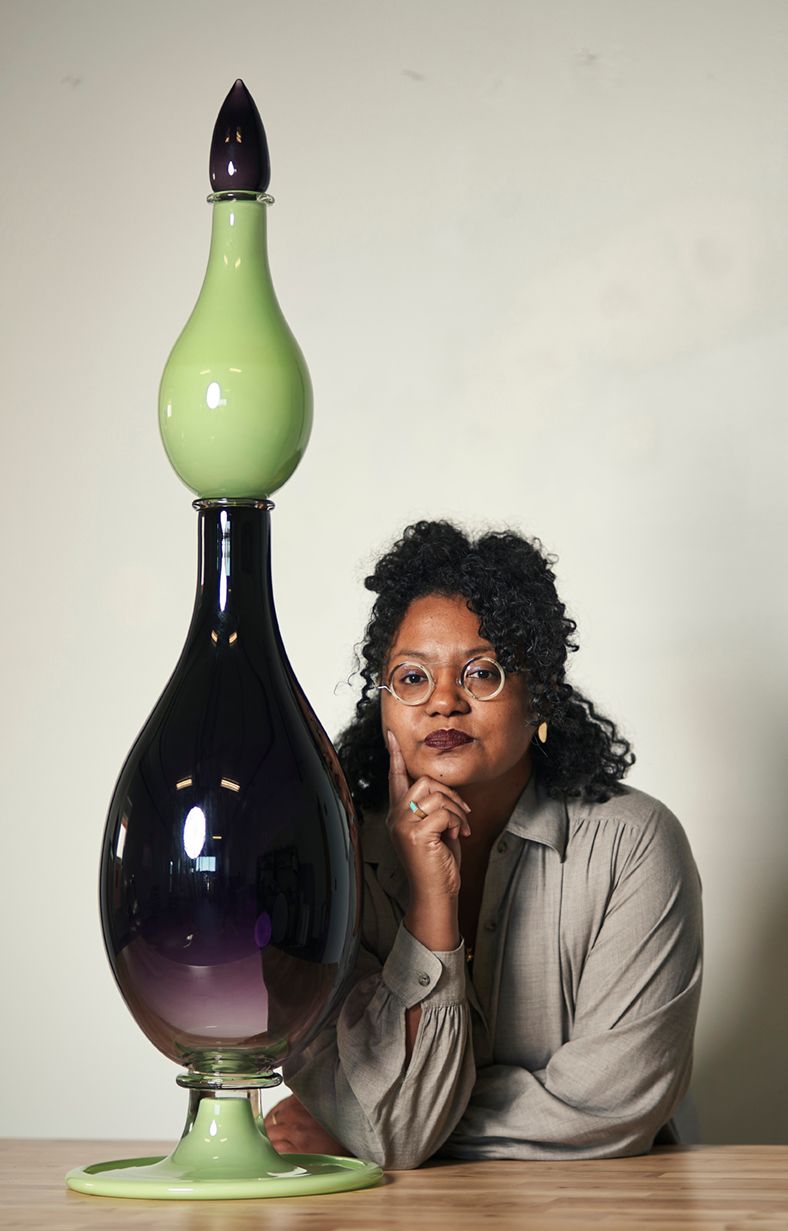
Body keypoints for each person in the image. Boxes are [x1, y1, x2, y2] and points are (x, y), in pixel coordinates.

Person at [264, 521, 703, 1167]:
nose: (443, 700)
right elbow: (394, 1128)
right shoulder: (326, 862)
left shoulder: (632, 847)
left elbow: (612, 1111)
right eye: (411, 678)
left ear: (541, 693)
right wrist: (429, 903)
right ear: (383, 704)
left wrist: (361, 1121)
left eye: (482, 672)